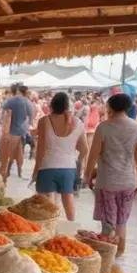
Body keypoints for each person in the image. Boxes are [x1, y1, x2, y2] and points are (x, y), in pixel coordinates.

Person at [84, 93, 137, 256]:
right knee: (121, 220)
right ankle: (120, 251)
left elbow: (93, 155)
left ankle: (108, 254)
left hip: (108, 182)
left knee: (108, 222)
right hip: (128, 182)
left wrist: (87, 174)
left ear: (110, 106)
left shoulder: (104, 127)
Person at [32, 92, 88, 221]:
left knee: (47, 205)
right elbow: (84, 149)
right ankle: (71, 228)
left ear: (52, 105)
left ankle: (49, 232)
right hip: (69, 168)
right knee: (68, 198)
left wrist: (36, 170)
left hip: (47, 167)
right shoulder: (78, 123)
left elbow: (40, 150)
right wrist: (78, 162)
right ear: (67, 106)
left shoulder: (44, 121)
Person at [0, 84, 35, 181]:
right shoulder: (28, 103)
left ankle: (6, 174)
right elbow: (31, 117)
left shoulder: (11, 100)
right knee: (19, 153)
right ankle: (19, 172)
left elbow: (3, 109)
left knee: (7, 154)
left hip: (10, 132)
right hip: (22, 132)